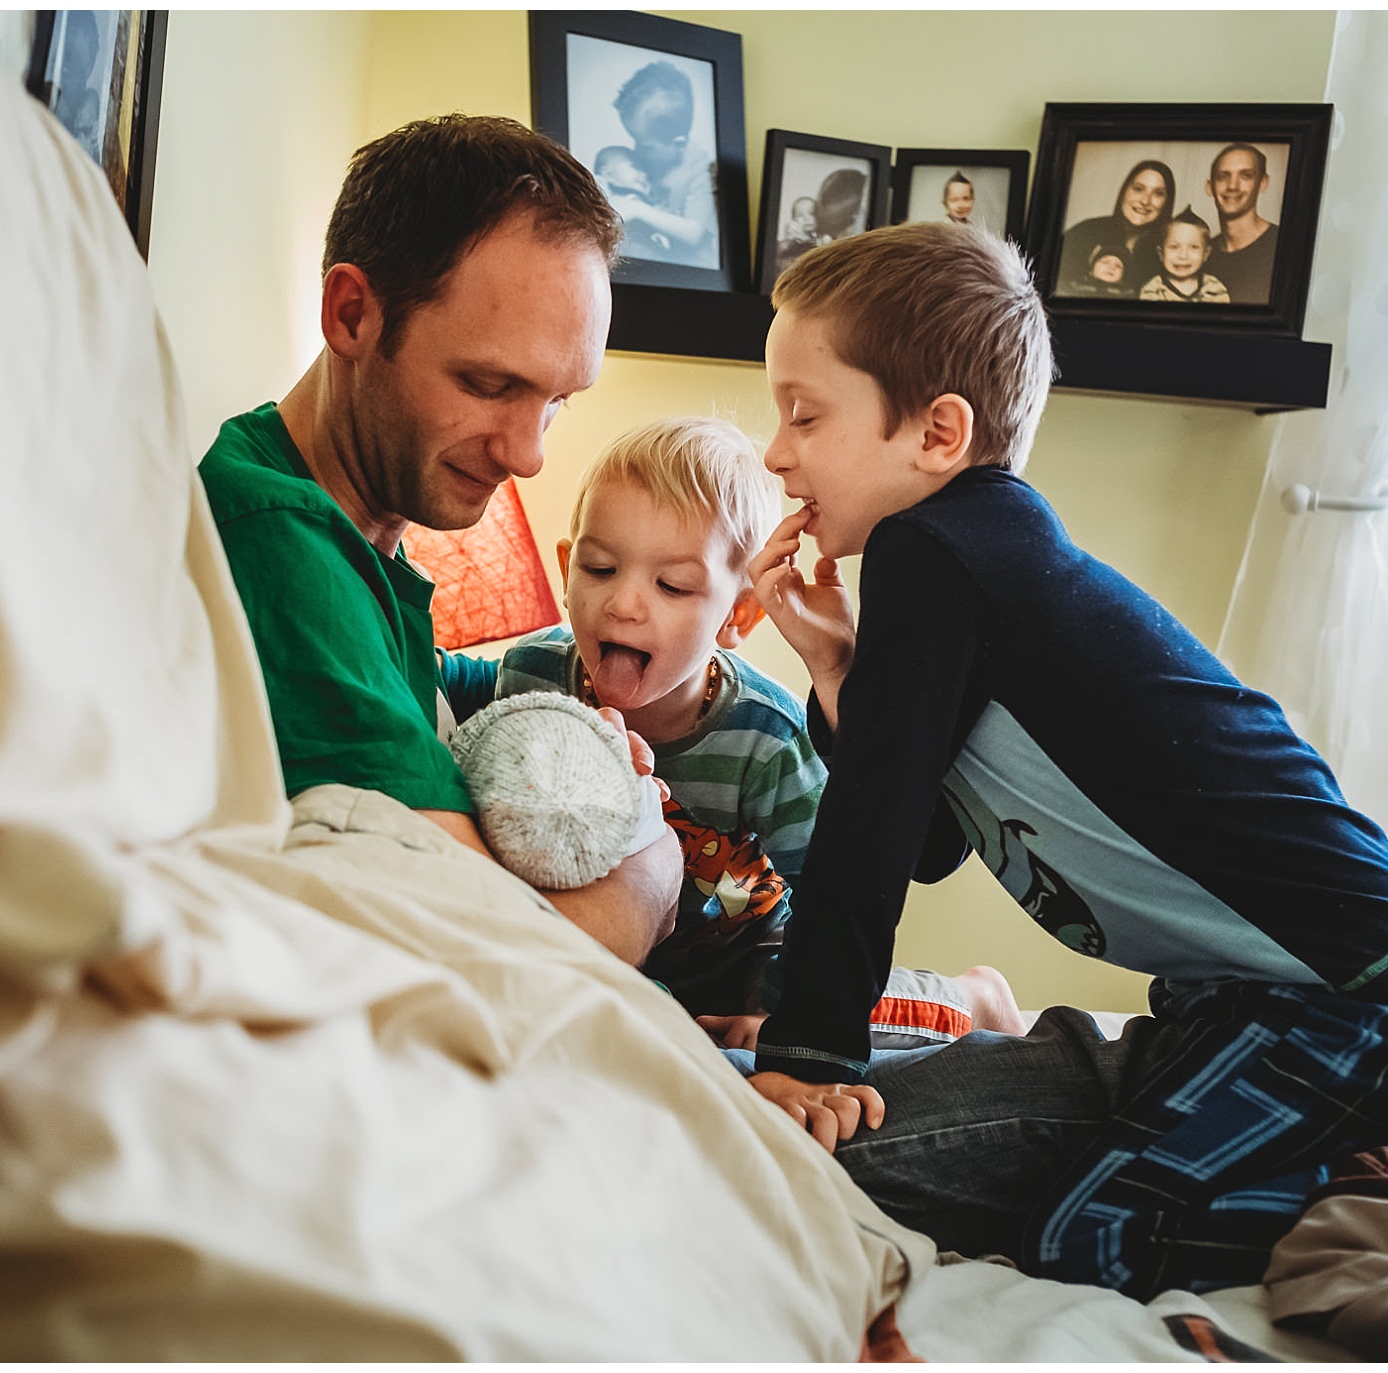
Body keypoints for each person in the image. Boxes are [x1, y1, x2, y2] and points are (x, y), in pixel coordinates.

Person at [735, 218, 1388, 1299]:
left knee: (1094, 1238)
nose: (775, 451)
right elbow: (929, 841)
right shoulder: (964, 560)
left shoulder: (932, 555)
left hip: (1345, 987)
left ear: (934, 432)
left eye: (802, 414)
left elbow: (869, 842)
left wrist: (811, 1052)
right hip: (1252, 990)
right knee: (1130, 1184)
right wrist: (841, 672)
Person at [194, 114, 681, 968]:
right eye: (491, 383)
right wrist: (650, 870)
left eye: (560, 399)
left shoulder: (356, 535)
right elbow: (508, 962)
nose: (529, 454)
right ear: (352, 315)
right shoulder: (279, 544)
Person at [439, 416, 1031, 1045]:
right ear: (566, 569)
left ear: (738, 612)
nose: (624, 604)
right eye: (600, 568)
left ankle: (976, 997)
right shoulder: (530, 674)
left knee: (868, 1011)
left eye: (673, 585)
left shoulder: (765, 739)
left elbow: (826, 890)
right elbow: (420, 670)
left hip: (757, 956)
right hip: (638, 959)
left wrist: (785, 1011)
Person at [611, 60, 718, 268]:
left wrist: (638, 210)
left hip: (691, 273)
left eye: (647, 145)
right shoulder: (650, 160)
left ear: (677, 143)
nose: (637, 150)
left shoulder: (701, 167)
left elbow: (694, 233)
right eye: (634, 140)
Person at [1055, 158, 1173, 298]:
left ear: (1167, 202)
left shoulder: (1172, 251)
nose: (1145, 201)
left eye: (1158, 193)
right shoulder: (1085, 232)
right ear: (1124, 191)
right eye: (1138, 189)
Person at [1204, 143, 1278, 305]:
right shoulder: (1200, 255)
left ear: (1263, 182)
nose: (1232, 186)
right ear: (1210, 187)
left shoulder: (1284, 246)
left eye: (1246, 175)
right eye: (1223, 176)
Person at [592, 144, 673, 259]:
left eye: (645, 171)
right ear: (608, 174)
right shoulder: (615, 204)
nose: (643, 175)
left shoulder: (641, 205)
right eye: (634, 167)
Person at [1138, 207, 1232, 302]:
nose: (1183, 256)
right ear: (1161, 253)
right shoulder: (1153, 289)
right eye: (1174, 247)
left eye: (1193, 247)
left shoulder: (1214, 287)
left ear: (1206, 254)